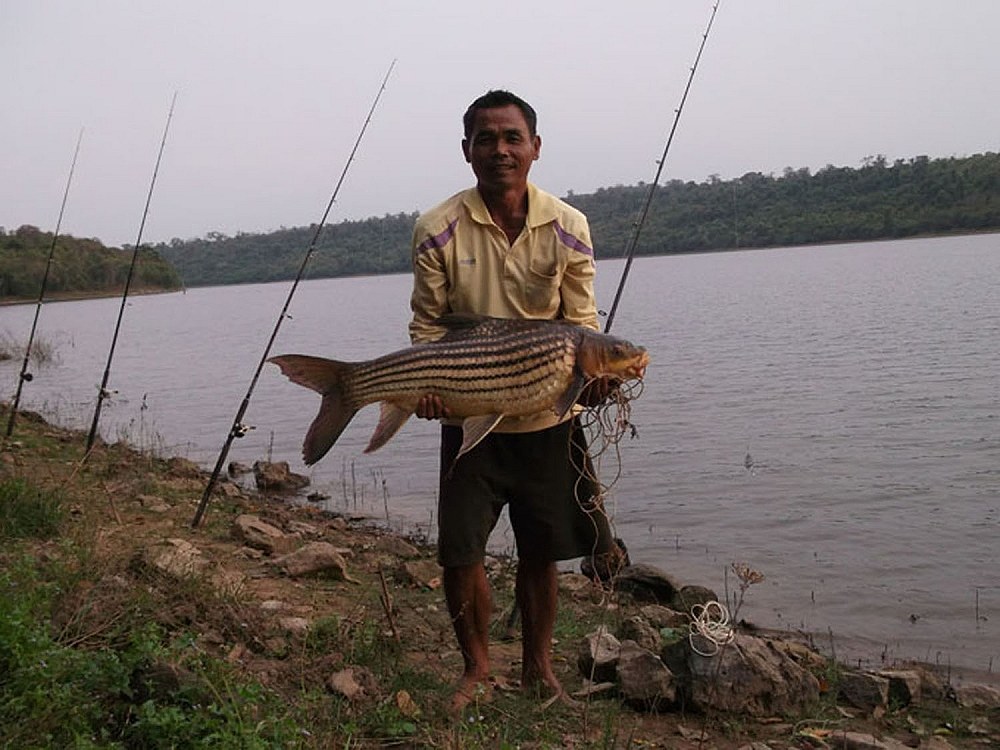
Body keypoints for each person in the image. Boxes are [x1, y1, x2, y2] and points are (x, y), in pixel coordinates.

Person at [408, 89, 617, 713]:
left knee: (543, 549)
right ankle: (475, 671)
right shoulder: (436, 227)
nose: (500, 149)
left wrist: (596, 379)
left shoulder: (569, 225)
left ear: (534, 148)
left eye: (512, 137)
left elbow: (582, 321)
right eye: (486, 138)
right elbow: (427, 330)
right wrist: (431, 391)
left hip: (549, 417)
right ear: (467, 151)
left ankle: (537, 671)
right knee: (461, 551)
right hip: (471, 410)